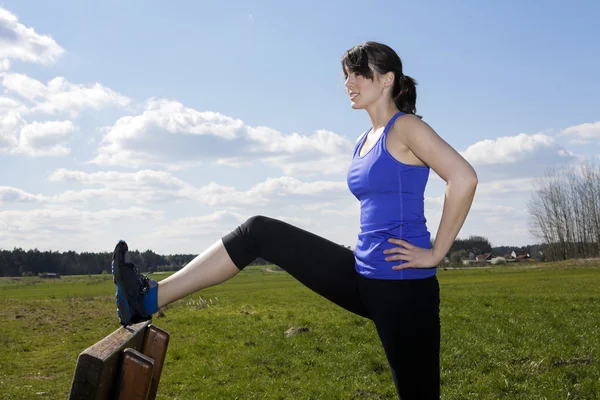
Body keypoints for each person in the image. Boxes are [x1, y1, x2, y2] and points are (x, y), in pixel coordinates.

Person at [111, 41, 478, 399]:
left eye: (358, 75)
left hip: (403, 288)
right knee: (257, 231)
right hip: (362, 276)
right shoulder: (366, 139)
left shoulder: (407, 128)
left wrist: (435, 253)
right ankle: (149, 298)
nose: (348, 83)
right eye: (346, 76)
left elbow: (463, 178)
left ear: (387, 79)